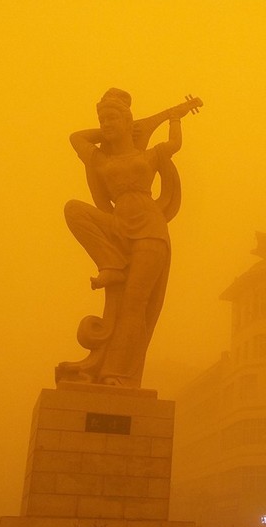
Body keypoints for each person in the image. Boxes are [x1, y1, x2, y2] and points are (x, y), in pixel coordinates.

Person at [61, 88, 195, 387]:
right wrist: (111, 127)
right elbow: (76, 137)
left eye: (112, 118)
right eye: (102, 118)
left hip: (150, 229)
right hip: (118, 224)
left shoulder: (151, 154)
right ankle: (110, 264)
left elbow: (174, 144)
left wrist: (174, 118)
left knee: (134, 305)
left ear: (127, 120)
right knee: (74, 210)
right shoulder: (98, 158)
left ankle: (116, 373)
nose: (106, 122)